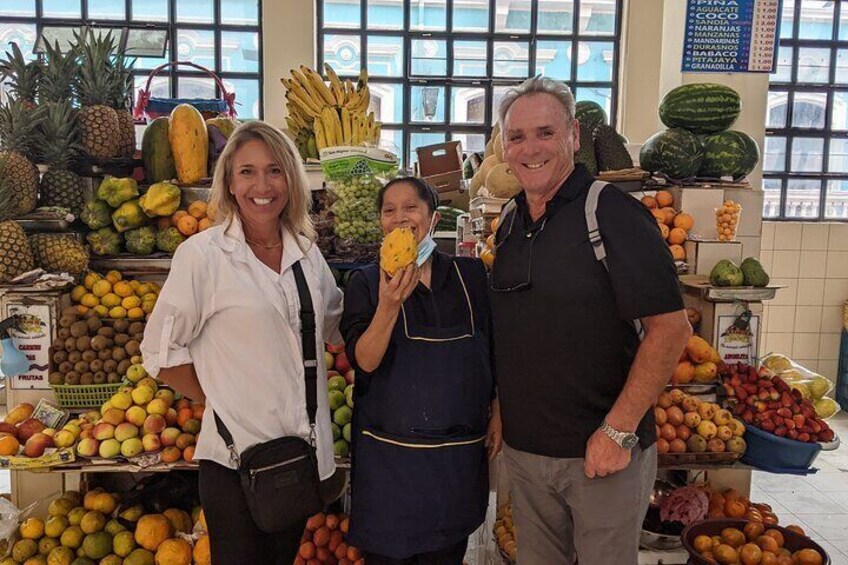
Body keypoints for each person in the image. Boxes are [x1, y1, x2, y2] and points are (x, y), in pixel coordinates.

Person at [489, 76, 692, 564]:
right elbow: (519, 329)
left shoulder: (613, 213)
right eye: (517, 137)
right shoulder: (512, 222)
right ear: (503, 146)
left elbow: (671, 327)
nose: (530, 148)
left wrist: (618, 432)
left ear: (574, 136)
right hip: (529, 455)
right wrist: (501, 407)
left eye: (545, 133)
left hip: (600, 456)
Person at [140, 121, 344, 564]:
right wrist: (224, 398)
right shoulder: (203, 256)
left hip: (298, 458)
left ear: (290, 179)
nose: (262, 185)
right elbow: (159, 354)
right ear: (229, 183)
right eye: (247, 172)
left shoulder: (307, 254)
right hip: (235, 464)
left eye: (274, 171)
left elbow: (337, 328)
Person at [340, 177, 501, 564]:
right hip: (391, 464)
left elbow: (495, 351)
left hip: (454, 463)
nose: (400, 218)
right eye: (389, 210)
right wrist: (389, 305)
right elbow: (365, 360)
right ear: (380, 221)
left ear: (433, 217)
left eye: (411, 207)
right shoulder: (364, 282)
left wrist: (499, 408)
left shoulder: (470, 276)